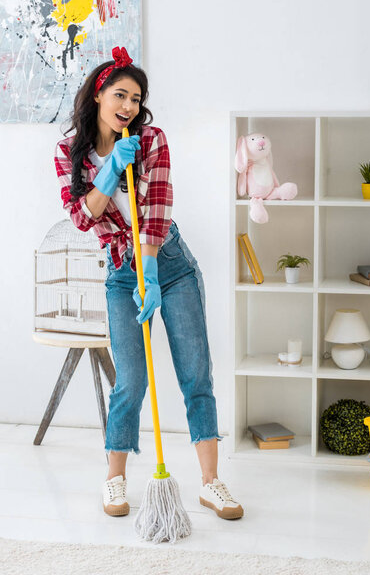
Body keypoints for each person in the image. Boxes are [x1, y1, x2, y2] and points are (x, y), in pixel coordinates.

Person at [55, 46, 243, 521]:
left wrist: (154, 273)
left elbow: (157, 210)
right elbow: (83, 216)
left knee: (195, 373)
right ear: (99, 95)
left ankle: (210, 483)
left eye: (137, 99)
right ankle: (114, 477)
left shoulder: (151, 139)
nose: (130, 107)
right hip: (120, 272)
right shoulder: (68, 152)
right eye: (121, 95)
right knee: (132, 382)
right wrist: (112, 167)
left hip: (169, 263)